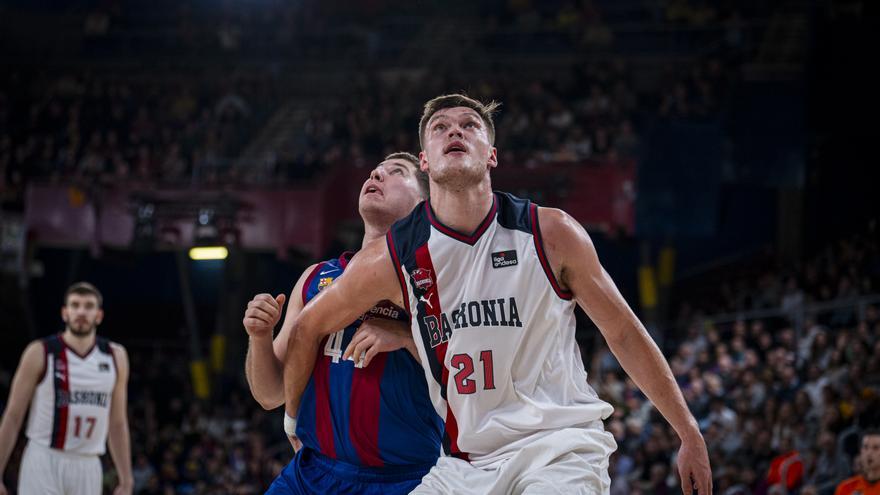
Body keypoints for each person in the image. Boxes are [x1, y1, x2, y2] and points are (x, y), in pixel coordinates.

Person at [281, 94, 712, 494]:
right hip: (466, 464)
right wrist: (293, 420)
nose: (455, 131)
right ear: (424, 161)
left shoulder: (551, 232)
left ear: (491, 155)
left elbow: (623, 332)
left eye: (470, 125)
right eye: (440, 127)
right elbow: (308, 326)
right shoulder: (393, 258)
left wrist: (688, 431)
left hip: (558, 448)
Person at [243, 152, 443, 494]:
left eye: (395, 172)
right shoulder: (317, 277)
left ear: (425, 204)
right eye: (375, 170)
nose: (378, 174)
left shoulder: (436, 280)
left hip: (408, 479)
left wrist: (407, 336)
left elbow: (469, 379)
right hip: (313, 472)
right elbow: (269, 394)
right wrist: (260, 337)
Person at [0, 282, 132, 495]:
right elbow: (13, 415)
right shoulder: (40, 352)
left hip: (88, 462)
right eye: (75, 305)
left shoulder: (116, 356)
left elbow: (117, 423)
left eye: (88, 306)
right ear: (65, 313)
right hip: (44, 458)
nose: (81, 311)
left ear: (98, 315)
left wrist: (126, 479)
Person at [834, 429, 880, 495]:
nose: (869, 453)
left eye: (876, 448)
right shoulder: (846, 488)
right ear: (861, 452)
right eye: (865, 447)